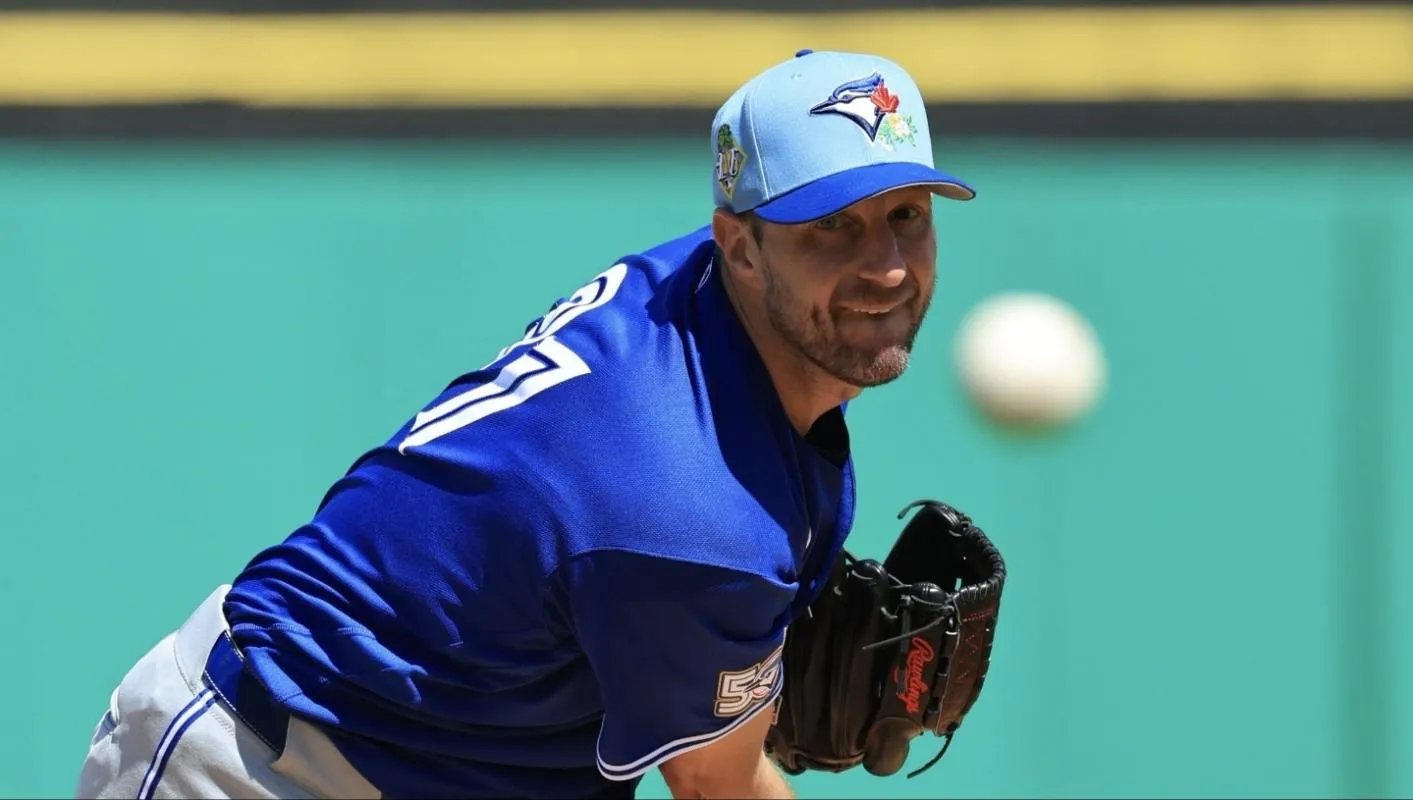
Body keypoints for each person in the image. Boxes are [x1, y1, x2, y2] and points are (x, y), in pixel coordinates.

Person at [76, 47, 976, 800]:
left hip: (426, 752)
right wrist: (730, 679)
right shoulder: (688, 511)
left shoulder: (695, 291)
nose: (887, 266)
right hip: (264, 765)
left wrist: (733, 667)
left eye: (905, 216)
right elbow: (715, 785)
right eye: (831, 226)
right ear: (738, 244)